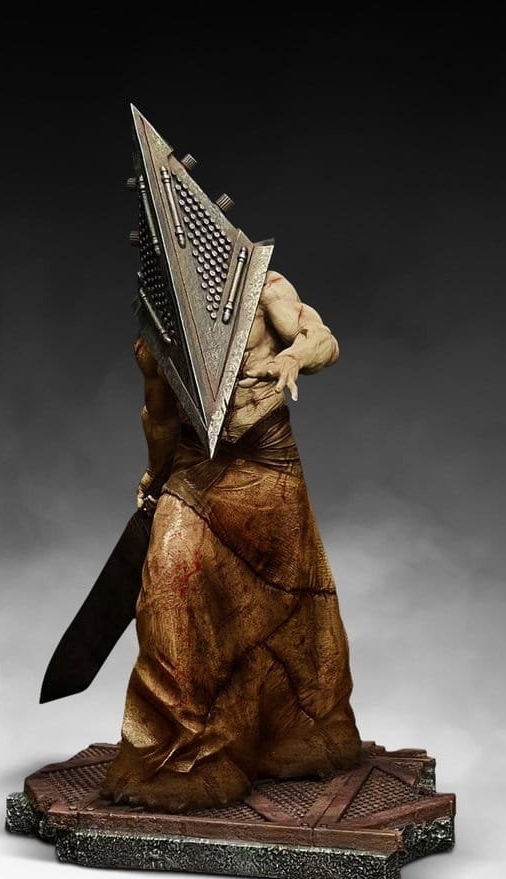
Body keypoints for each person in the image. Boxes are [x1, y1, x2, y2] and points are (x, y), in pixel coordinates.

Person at [101, 270, 361, 812]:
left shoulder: (262, 286)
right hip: (194, 471)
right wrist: (155, 474)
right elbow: (159, 414)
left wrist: (294, 357)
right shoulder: (158, 326)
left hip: (268, 464)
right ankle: (181, 756)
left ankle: (298, 732)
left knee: (291, 601)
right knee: (169, 583)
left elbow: (322, 339)